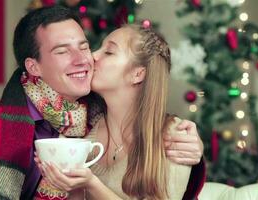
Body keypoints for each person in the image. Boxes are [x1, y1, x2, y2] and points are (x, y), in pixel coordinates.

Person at [0, 6, 204, 199]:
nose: (87, 58)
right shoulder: (0, 129)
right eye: (62, 51)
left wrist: (193, 148)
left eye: (85, 46)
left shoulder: (89, 113)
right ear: (34, 67)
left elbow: (147, 121)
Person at [36, 23, 206, 200]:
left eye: (108, 52)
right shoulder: (84, 129)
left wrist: (91, 184)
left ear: (137, 74)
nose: (93, 55)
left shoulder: (174, 138)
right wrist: (70, 186)